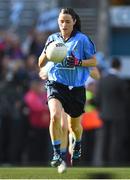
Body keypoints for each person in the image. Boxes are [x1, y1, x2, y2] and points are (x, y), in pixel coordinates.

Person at [38, 8, 97, 172]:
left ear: (74, 22)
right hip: (56, 84)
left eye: (67, 21)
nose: (63, 24)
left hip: (76, 88)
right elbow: (40, 63)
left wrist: (78, 62)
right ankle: (57, 154)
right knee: (55, 116)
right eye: (61, 21)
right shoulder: (52, 39)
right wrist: (48, 53)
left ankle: (77, 143)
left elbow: (93, 62)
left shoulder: (82, 40)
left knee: (75, 127)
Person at [95, 57, 127, 165]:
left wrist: (101, 110)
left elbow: (97, 99)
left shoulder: (102, 81)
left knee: (105, 138)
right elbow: (126, 98)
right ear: (119, 66)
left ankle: (104, 160)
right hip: (118, 115)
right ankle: (114, 161)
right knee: (116, 138)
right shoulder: (120, 81)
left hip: (104, 114)